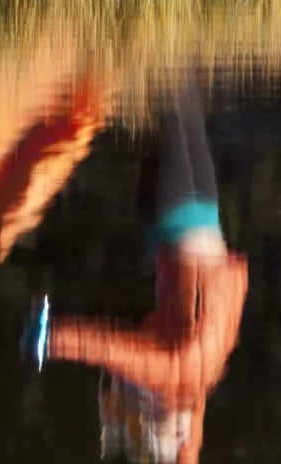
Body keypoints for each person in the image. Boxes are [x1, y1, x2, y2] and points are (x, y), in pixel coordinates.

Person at [22, 84, 247, 463]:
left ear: (156, 414)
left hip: (172, 214)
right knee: (183, 101)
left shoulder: (166, 375)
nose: (182, 432)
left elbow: (109, 347)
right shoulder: (197, 391)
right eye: (180, 438)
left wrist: (53, 339)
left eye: (171, 433)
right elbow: (190, 444)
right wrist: (183, 451)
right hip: (205, 215)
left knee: (169, 104)